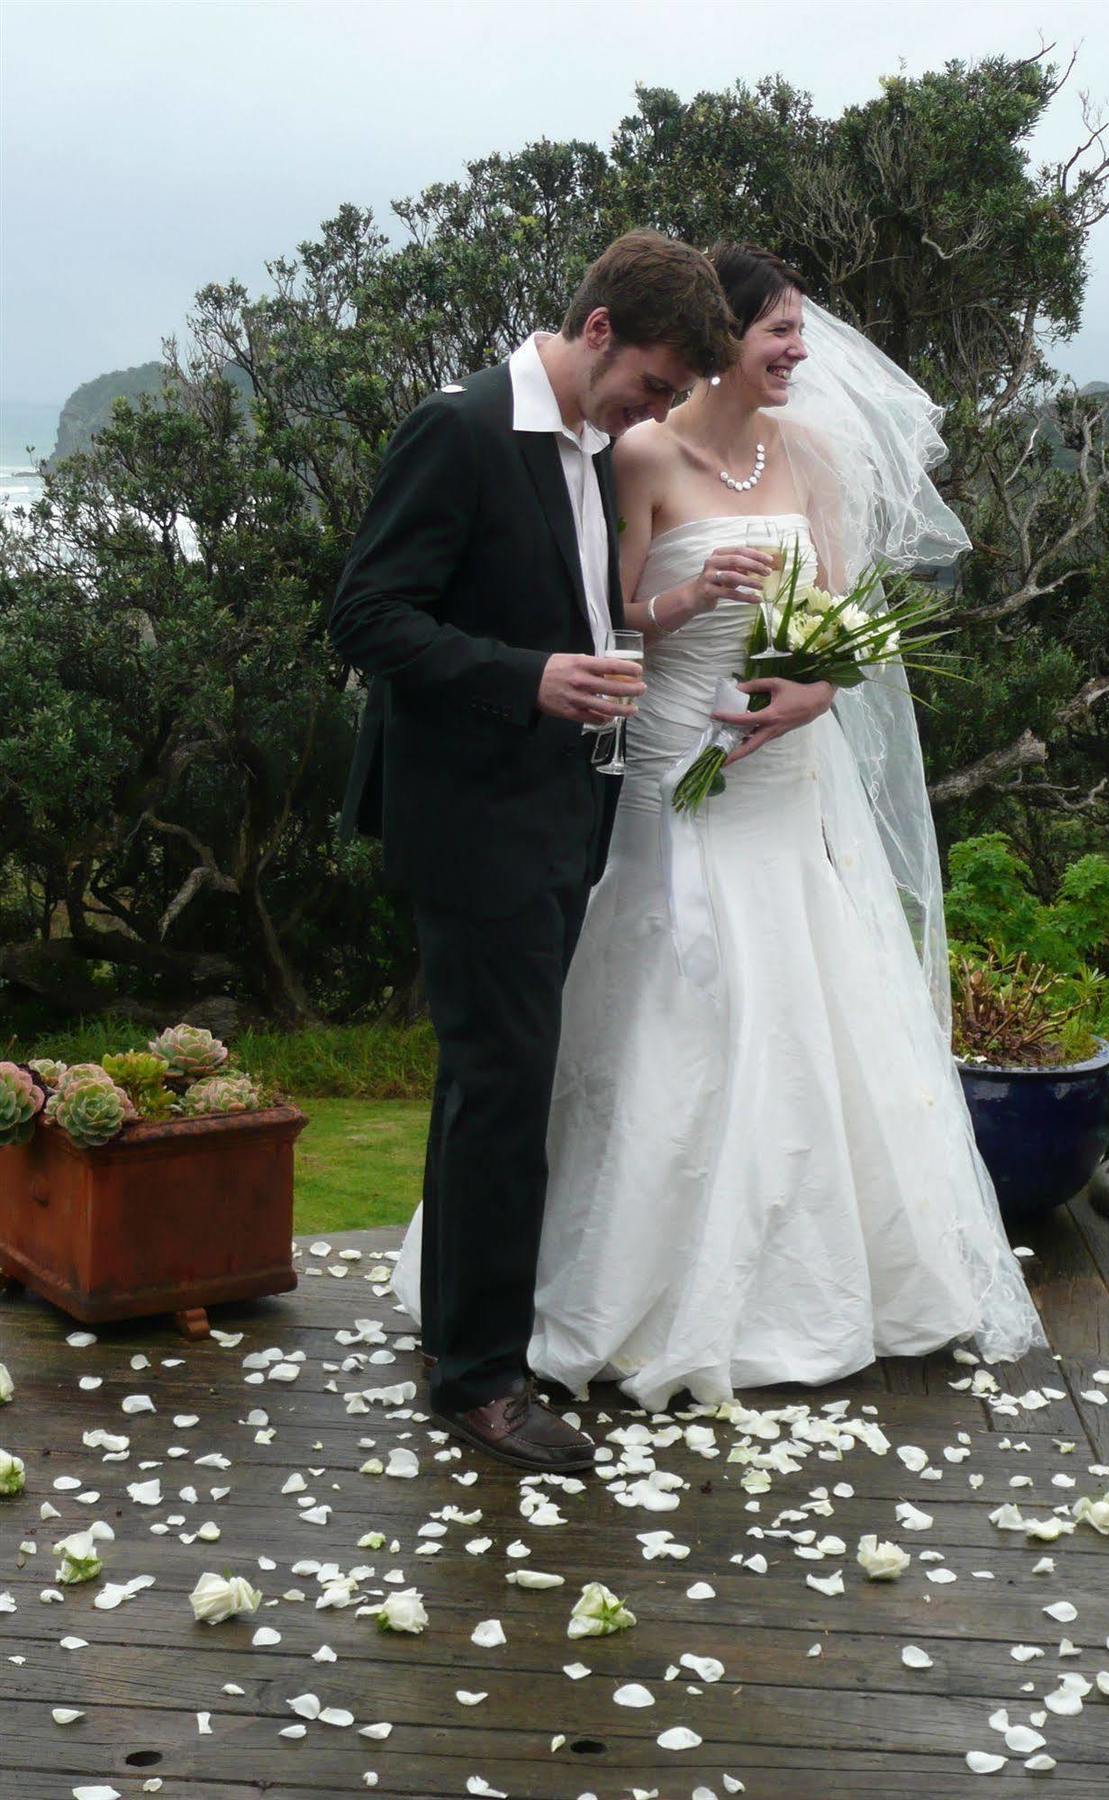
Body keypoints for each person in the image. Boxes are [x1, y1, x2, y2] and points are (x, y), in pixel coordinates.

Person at [394, 243, 1048, 1415]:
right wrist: (675, 611)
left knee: (796, 1012)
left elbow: (855, 615)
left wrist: (823, 683)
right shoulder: (615, 450)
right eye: (778, 332)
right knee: (621, 1023)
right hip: (658, 771)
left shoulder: (801, 456)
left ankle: (792, 1288)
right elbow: (596, 615)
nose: (799, 352)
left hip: (779, 778)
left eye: (805, 332)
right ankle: (528, 1318)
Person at [330, 230, 738, 1471]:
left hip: (560, 816)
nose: (656, 413)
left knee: (492, 1091)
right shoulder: (457, 430)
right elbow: (367, 617)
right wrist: (533, 679)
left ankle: (460, 1344)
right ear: (600, 327)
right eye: (656, 385)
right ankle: (482, 1383)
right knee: (503, 1096)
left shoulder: (590, 453)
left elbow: (575, 603)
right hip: (473, 824)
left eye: (670, 402)